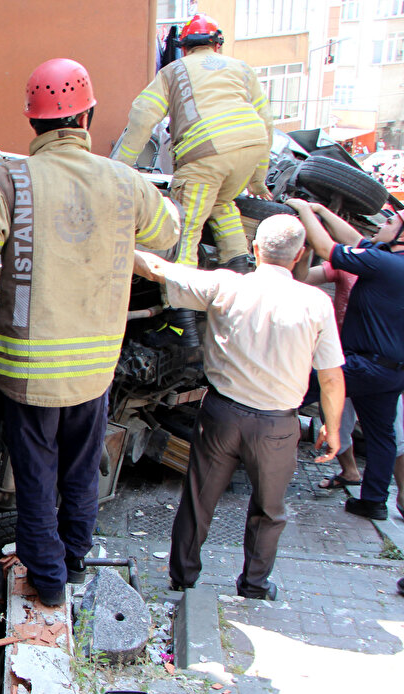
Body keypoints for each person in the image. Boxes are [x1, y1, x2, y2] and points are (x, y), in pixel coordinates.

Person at [0, 58, 180, 607]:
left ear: (33, 123)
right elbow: (168, 232)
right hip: (95, 371)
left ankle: (46, 582)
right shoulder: (126, 181)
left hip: (29, 373)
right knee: (79, 472)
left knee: (35, 480)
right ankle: (72, 562)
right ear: (88, 116)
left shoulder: (8, 181)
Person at [133, 215, 345, 600]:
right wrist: (332, 426)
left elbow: (158, 268)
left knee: (199, 499)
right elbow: (331, 377)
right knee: (269, 511)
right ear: (299, 255)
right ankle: (254, 586)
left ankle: (182, 579)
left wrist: (117, 245)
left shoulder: (224, 285)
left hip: (221, 415)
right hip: (277, 427)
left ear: (255, 249)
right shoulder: (316, 303)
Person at [114, 13, 273, 275]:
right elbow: (266, 121)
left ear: (184, 48)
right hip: (251, 147)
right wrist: (258, 179)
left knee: (187, 226)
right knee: (221, 203)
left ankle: (182, 312)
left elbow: (142, 117)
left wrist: (119, 167)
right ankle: (239, 276)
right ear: (217, 45)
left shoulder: (172, 71)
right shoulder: (242, 69)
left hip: (204, 155)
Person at [287, 199, 404, 521]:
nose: (384, 221)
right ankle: (374, 501)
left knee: (289, 395)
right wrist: (324, 212)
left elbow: (328, 248)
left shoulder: (385, 264)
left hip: (362, 365)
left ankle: (250, 460)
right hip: (391, 372)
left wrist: (303, 210)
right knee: (382, 436)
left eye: (393, 220)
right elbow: (356, 242)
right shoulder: (391, 261)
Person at [303, 259, 361, 489]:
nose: (382, 223)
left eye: (391, 221)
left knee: (390, 430)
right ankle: (350, 471)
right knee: (333, 412)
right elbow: (303, 275)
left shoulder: (390, 269)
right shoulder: (350, 262)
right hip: (339, 354)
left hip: (376, 359)